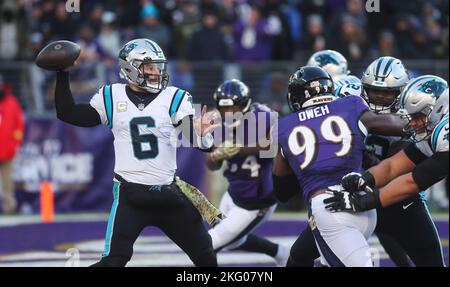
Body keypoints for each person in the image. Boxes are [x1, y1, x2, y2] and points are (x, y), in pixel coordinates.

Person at [53, 38, 219, 267]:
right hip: (130, 196)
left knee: (206, 257)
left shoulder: (174, 97)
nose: (156, 72)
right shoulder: (112, 96)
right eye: (149, 67)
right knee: (113, 261)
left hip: (169, 195)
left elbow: (202, 143)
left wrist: (202, 133)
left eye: (157, 67)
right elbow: (68, 113)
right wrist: (62, 73)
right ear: (131, 68)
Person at [273, 66, 407, 266]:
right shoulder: (351, 105)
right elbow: (396, 125)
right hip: (364, 204)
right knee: (301, 254)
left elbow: (281, 192)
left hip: (329, 208)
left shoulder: (283, 127)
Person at [325, 75, 449, 266]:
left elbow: (413, 182)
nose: (413, 123)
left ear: (438, 109)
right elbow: (393, 166)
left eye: (418, 116)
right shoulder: (434, 133)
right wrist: (365, 179)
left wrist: (363, 202)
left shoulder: (445, 134)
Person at [205, 79, 289, 266]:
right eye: (223, 108)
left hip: (257, 199)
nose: (228, 113)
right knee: (230, 242)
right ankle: (282, 253)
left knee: (207, 245)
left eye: (232, 108)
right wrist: (215, 156)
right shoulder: (216, 123)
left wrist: (240, 148)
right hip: (234, 191)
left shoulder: (263, 116)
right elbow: (212, 165)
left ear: (244, 104)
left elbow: (277, 142)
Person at [0, 74, 24, 214]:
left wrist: (15, 144)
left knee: (8, 181)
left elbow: (18, 125)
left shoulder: (11, 102)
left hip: (7, 150)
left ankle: (9, 206)